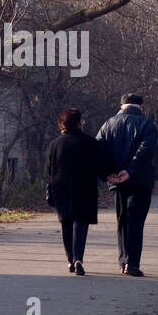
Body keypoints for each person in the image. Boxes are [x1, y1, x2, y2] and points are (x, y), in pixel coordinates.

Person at [96, 92, 158, 277]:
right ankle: (132, 263)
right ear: (141, 106)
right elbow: (146, 151)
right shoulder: (147, 124)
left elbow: (99, 150)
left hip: (116, 181)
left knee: (122, 221)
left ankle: (123, 261)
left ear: (121, 106)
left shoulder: (108, 124)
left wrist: (107, 173)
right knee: (136, 222)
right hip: (140, 180)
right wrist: (130, 171)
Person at [46, 108, 108, 275]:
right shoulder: (90, 142)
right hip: (85, 188)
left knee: (66, 223)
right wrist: (109, 177)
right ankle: (78, 258)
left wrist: (50, 189)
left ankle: (70, 260)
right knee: (81, 223)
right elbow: (99, 166)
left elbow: (50, 170)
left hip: (61, 188)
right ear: (79, 123)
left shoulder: (55, 144)